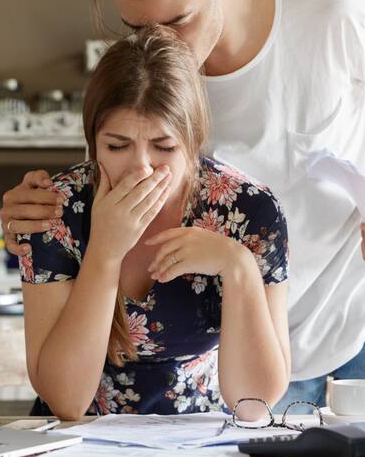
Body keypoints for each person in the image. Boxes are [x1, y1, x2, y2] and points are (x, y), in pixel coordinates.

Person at [1, 0, 365, 409]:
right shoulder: (146, 85)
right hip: (254, 331)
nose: (158, 46)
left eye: (176, 23)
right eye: (136, 28)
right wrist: (34, 216)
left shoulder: (329, 11)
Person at [19, 25, 290, 420]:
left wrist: (239, 266)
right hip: (79, 440)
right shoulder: (54, 211)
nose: (141, 167)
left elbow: (255, 404)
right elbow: (65, 401)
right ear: (92, 140)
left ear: (194, 141)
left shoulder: (250, 211)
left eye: (164, 147)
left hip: (201, 438)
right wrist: (105, 253)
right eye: (116, 146)